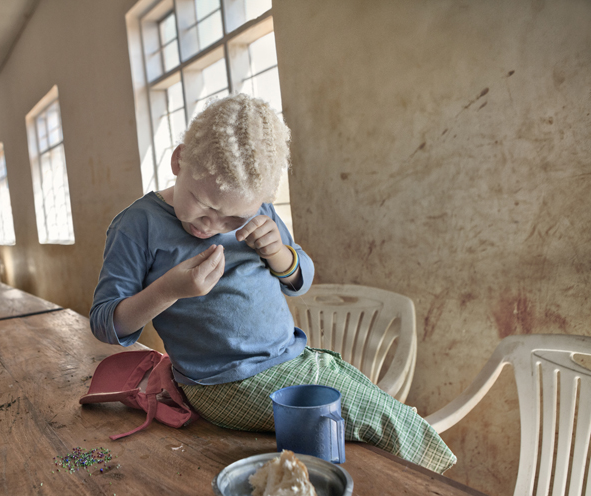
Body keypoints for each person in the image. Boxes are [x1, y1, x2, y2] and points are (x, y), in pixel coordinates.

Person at [90, 94, 455, 473]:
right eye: (202, 202)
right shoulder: (137, 226)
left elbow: (300, 282)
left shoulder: (258, 212)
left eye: (233, 219)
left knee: (389, 417)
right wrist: (170, 290)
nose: (211, 224)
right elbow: (105, 323)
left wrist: (278, 252)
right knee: (391, 425)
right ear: (179, 160)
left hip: (291, 358)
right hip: (228, 383)